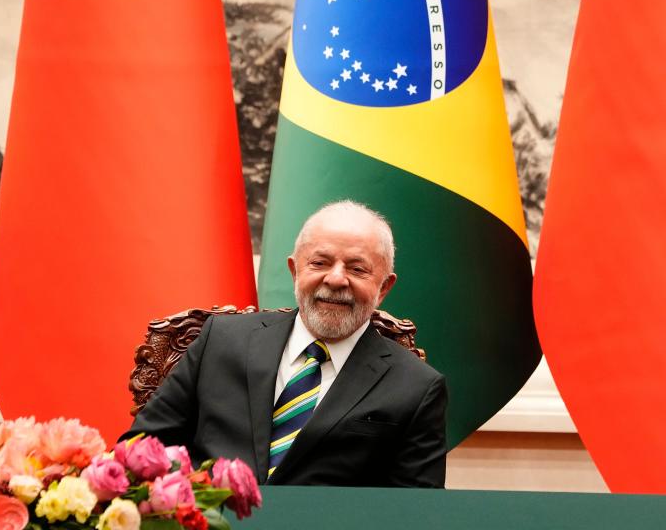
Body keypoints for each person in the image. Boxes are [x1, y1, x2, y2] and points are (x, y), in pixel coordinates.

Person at [124, 200, 447, 487]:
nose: (335, 279)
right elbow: (139, 448)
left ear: (384, 286)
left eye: (357, 268)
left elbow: (415, 514)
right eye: (319, 263)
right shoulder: (219, 341)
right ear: (294, 271)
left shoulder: (417, 388)